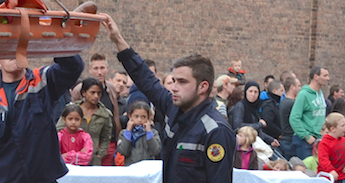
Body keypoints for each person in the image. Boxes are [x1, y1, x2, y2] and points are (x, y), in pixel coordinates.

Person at [102, 14, 235, 182]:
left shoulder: (216, 131)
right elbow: (145, 78)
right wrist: (118, 39)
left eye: (182, 82)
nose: (174, 87)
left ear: (203, 87)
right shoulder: (172, 107)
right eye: (173, 81)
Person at [0, 52, 84, 182]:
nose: (14, 53)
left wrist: (51, 42)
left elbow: (73, 67)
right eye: (8, 49)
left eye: (18, 48)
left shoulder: (41, 82)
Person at [55, 78, 112, 166]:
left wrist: (100, 154)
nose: (96, 96)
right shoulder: (72, 109)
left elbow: (106, 138)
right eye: (92, 92)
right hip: (67, 158)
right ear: (84, 93)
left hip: (92, 158)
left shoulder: (104, 114)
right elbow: (59, 130)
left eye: (99, 93)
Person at [86, 54, 120, 165]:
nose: (99, 72)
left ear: (107, 68)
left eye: (102, 68)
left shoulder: (111, 88)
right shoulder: (80, 89)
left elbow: (115, 113)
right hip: (88, 142)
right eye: (96, 68)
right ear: (90, 69)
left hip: (110, 141)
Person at [289, 66, 329, 160]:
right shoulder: (304, 94)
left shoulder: (320, 93)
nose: (328, 78)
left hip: (318, 140)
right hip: (305, 141)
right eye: (325, 75)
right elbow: (294, 118)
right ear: (316, 76)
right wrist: (306, 136)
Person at [229, 81, 277, 146]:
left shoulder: (257, 107)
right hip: (242, 145)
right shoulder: (240, 106)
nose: (253, 94)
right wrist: (260, 124)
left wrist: (271, 140)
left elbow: (257, 132)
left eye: (255, 92)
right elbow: (238, 126)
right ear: (246, 92)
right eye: (250, 91)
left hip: (253, 143)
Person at [116, 101, 160, 166]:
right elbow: (123, 151)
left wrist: (148, 132)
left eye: (143, 117)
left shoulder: (153, 132)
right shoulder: (124, 133)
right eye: (136, 116)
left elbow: (156, 151)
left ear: (148, 117)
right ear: (130, 116)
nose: (139, 120)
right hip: (130, 169)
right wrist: (128, 131)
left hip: (147, 169)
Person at [317, 113, 345, 182]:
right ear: (333, 129)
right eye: (343, 125)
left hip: (343, 177)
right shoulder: (324, 143)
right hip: (328, 178)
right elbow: (323, 160)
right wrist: (330, 170)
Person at [278, 76, 300, 160]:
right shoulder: (292, 104)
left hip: (285, 139)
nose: (300, 88)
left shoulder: (284, 101)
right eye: (298, 85)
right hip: (290, 141)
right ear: (292, 87)